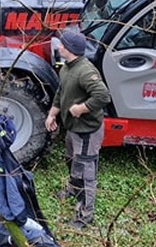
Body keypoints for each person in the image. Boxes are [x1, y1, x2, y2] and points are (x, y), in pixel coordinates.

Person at [44, 29, 110, 229]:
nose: (59, 46)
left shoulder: (85, 72)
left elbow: (103, 96)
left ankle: (84, 215)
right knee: (72, 162)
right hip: (73, 129)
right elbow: (61, 92)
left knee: (85, 173)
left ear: (70, 49)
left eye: (62, 44)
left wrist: (81, 108)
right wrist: (52, 114)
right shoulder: (67, 67)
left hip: (86, 132)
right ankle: (73, 189)